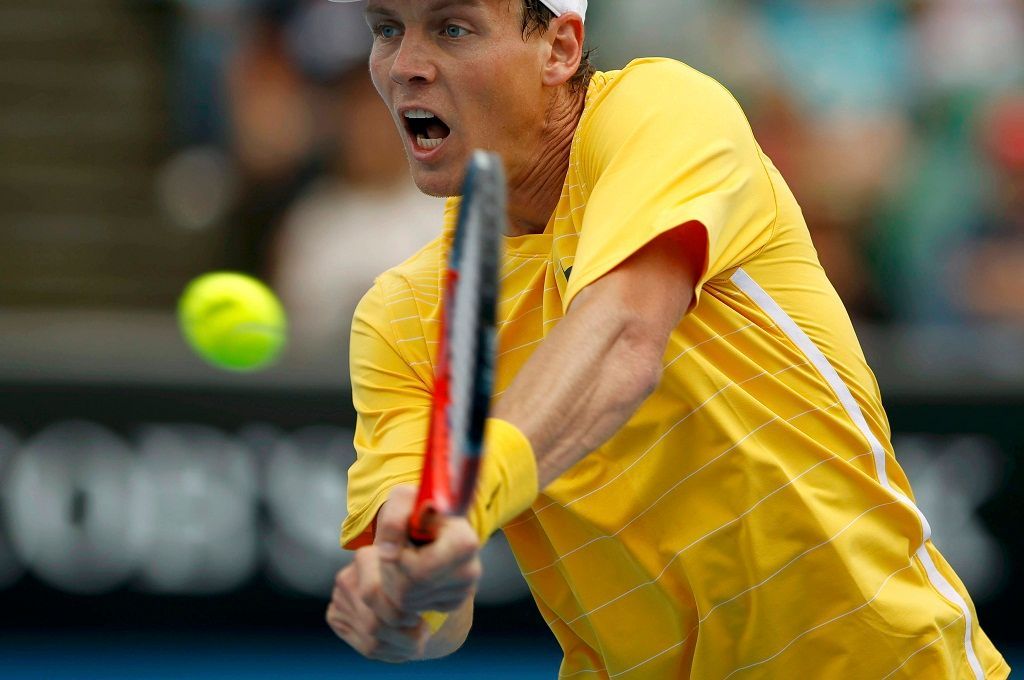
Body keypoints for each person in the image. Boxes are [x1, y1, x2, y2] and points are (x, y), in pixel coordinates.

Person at [324, 0, 1011, 677]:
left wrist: (461, 499)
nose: (405, 66)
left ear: (560, 49)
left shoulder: (665, 110)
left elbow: (623, 336)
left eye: (452, 28)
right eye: (386, 29)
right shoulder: (401, 316)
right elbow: (432, 605)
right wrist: (407, 596)